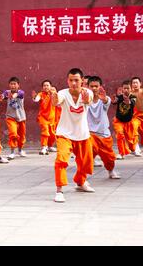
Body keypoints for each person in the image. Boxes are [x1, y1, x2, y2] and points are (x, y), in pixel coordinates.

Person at [50, 68, 95, 203]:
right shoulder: (63, 93)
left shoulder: (88, 93)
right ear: (67, 81)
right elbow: (56, 102)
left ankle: (80, 183)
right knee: (61, 160)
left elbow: (88, 101)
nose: (74, 83)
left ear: (82, 81)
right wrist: (54, 96)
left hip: (82, 134)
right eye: (71, 80)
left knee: (85, 163)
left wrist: (86, 100)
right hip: (65, 133)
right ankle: (59, 190)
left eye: (76, 80)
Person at [87, 76, 120, 179]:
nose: (94, 88)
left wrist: (104, 99)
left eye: (96, 86)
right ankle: (82, 176)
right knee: (86, 156)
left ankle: (111, 171)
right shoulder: (84, 100)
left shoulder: (105, 99)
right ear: (88, 87)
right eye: (91, 86)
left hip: (103, 134)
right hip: (89, 134)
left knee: (109, 158)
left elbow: (106, 102)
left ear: (100, 86)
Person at [0, 77, 27, 159]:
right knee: (13, 134)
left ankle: (20, 150)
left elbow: (20, 94)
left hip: (21, 117)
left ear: (18, 85)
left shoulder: (21, 92)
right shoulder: (7, 92)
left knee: (22, 135)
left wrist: (15, 95)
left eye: (14, 84)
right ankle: (12, 152)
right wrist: (2, 97)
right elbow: (4, 95)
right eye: (11, 84)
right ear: (9, 85)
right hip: (10, 117)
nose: (13, 86)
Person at [112, 80, 141, 159]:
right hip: (119, 121)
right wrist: (114, 100)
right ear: (122, 89)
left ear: (131, 89)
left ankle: (133, 149)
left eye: (128, 88)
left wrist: (128, 102)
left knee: (131, 139)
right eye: (124, 88)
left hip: (129, 122)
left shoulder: (133, 97)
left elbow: (132, 103)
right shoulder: (120, 97)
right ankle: (121, 153)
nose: (126, 90)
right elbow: (114, 101)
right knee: (120, 135)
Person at [32, 80, 56, 156]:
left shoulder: (53, 93)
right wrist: (35, 97)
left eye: (47, 85)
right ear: (42, 87)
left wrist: (53, 93)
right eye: (44, 85)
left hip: (52, 117)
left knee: (52, 133)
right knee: (45, 131)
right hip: (42, 117)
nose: (46, 87)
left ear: (50, 86)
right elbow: (36, 99)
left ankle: (50, 146)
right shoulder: (41, 94)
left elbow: (57, 101)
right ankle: (44, 147)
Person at [131, 77, 143, 150]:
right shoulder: (130, 94)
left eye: (136, 82)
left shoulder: (142, 91)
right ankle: (136, 147)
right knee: (134, 128)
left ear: (140, 84)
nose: (135, 84)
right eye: (133, 83)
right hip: (135, 116)